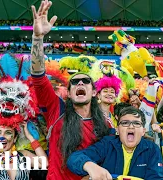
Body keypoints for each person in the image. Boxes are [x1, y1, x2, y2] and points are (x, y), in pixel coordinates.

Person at [30, 1, 110, 179]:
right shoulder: (56, 110)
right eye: (74, 83)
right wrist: (38, 38)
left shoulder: (105, 124)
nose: (79, 84)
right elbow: (38, 77)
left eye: (85, 81)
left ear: (94, 91)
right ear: (69, 91)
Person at [67, 107, 163, 179]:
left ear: (143, 131)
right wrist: (89, 165)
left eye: (136, 123)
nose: (131, 127)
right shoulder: (107, 144)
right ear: (117, 130)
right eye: (125, 123)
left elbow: (156, 177)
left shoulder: (152, 149)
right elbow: (74, 158)